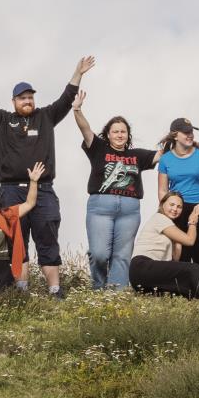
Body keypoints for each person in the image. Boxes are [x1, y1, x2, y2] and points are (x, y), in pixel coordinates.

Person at [0, 57, 89, 296]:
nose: (27, 101)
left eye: (30, 97)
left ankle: (55, 290)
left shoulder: (45, 117)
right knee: (17, 239)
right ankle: (21, 291)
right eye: (22, 98)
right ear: (14, 101)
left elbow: (66, 99)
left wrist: (78, 72)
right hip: (12, 189)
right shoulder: (2, 120)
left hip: (43, 189)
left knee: (47, 235)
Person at [73, 81, 158, 290]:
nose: (120, 135)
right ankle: (99, 289)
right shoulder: (98, 148)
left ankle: (116, 296)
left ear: (128, 135)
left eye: (123, 131)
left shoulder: (137, 155)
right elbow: (85, 129)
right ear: (108, 134)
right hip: (100, 208)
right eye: (115, 131)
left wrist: (179, 138)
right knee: (99, 254)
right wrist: (77, 109)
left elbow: (162, 156)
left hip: (129, 210)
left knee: (122, 256)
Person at [156, 119, 199, 296]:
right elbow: (163, 189)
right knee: (180, 253)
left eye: (191, 131)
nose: (190, 135)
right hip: (177, 209)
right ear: (175, 135)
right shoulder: (166, 159)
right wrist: (167, 211)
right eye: (185, 132)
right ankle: (183, 296)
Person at [130, 192, 199, 302]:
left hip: (147, 277)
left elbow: (175, 259)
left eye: (179, 207)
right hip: (142, 266)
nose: (175, 209)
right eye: (172, 204)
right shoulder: (160, 218)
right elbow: (190, 241)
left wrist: (177, 240)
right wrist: (193, 221)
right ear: (162, 204)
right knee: (194, 268)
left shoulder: (170, 226)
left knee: (187, 289)